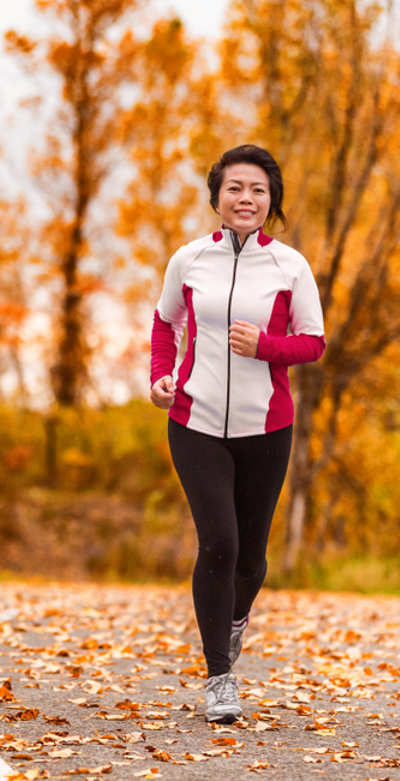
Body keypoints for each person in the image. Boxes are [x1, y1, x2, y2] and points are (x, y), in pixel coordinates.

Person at [149, 144, 325, 723]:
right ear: (217, 197)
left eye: (257, 190)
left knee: (251, 559)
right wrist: (160, 377)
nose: (245, 199)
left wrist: (266, 347)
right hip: (194, 421)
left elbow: (313, 343)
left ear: (270, 200)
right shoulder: (190, 259)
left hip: (266, 426)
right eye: (234, 188)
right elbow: (165, 321)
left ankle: (235, 619)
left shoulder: (290, 266)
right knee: (219, 543)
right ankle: (219, 677)